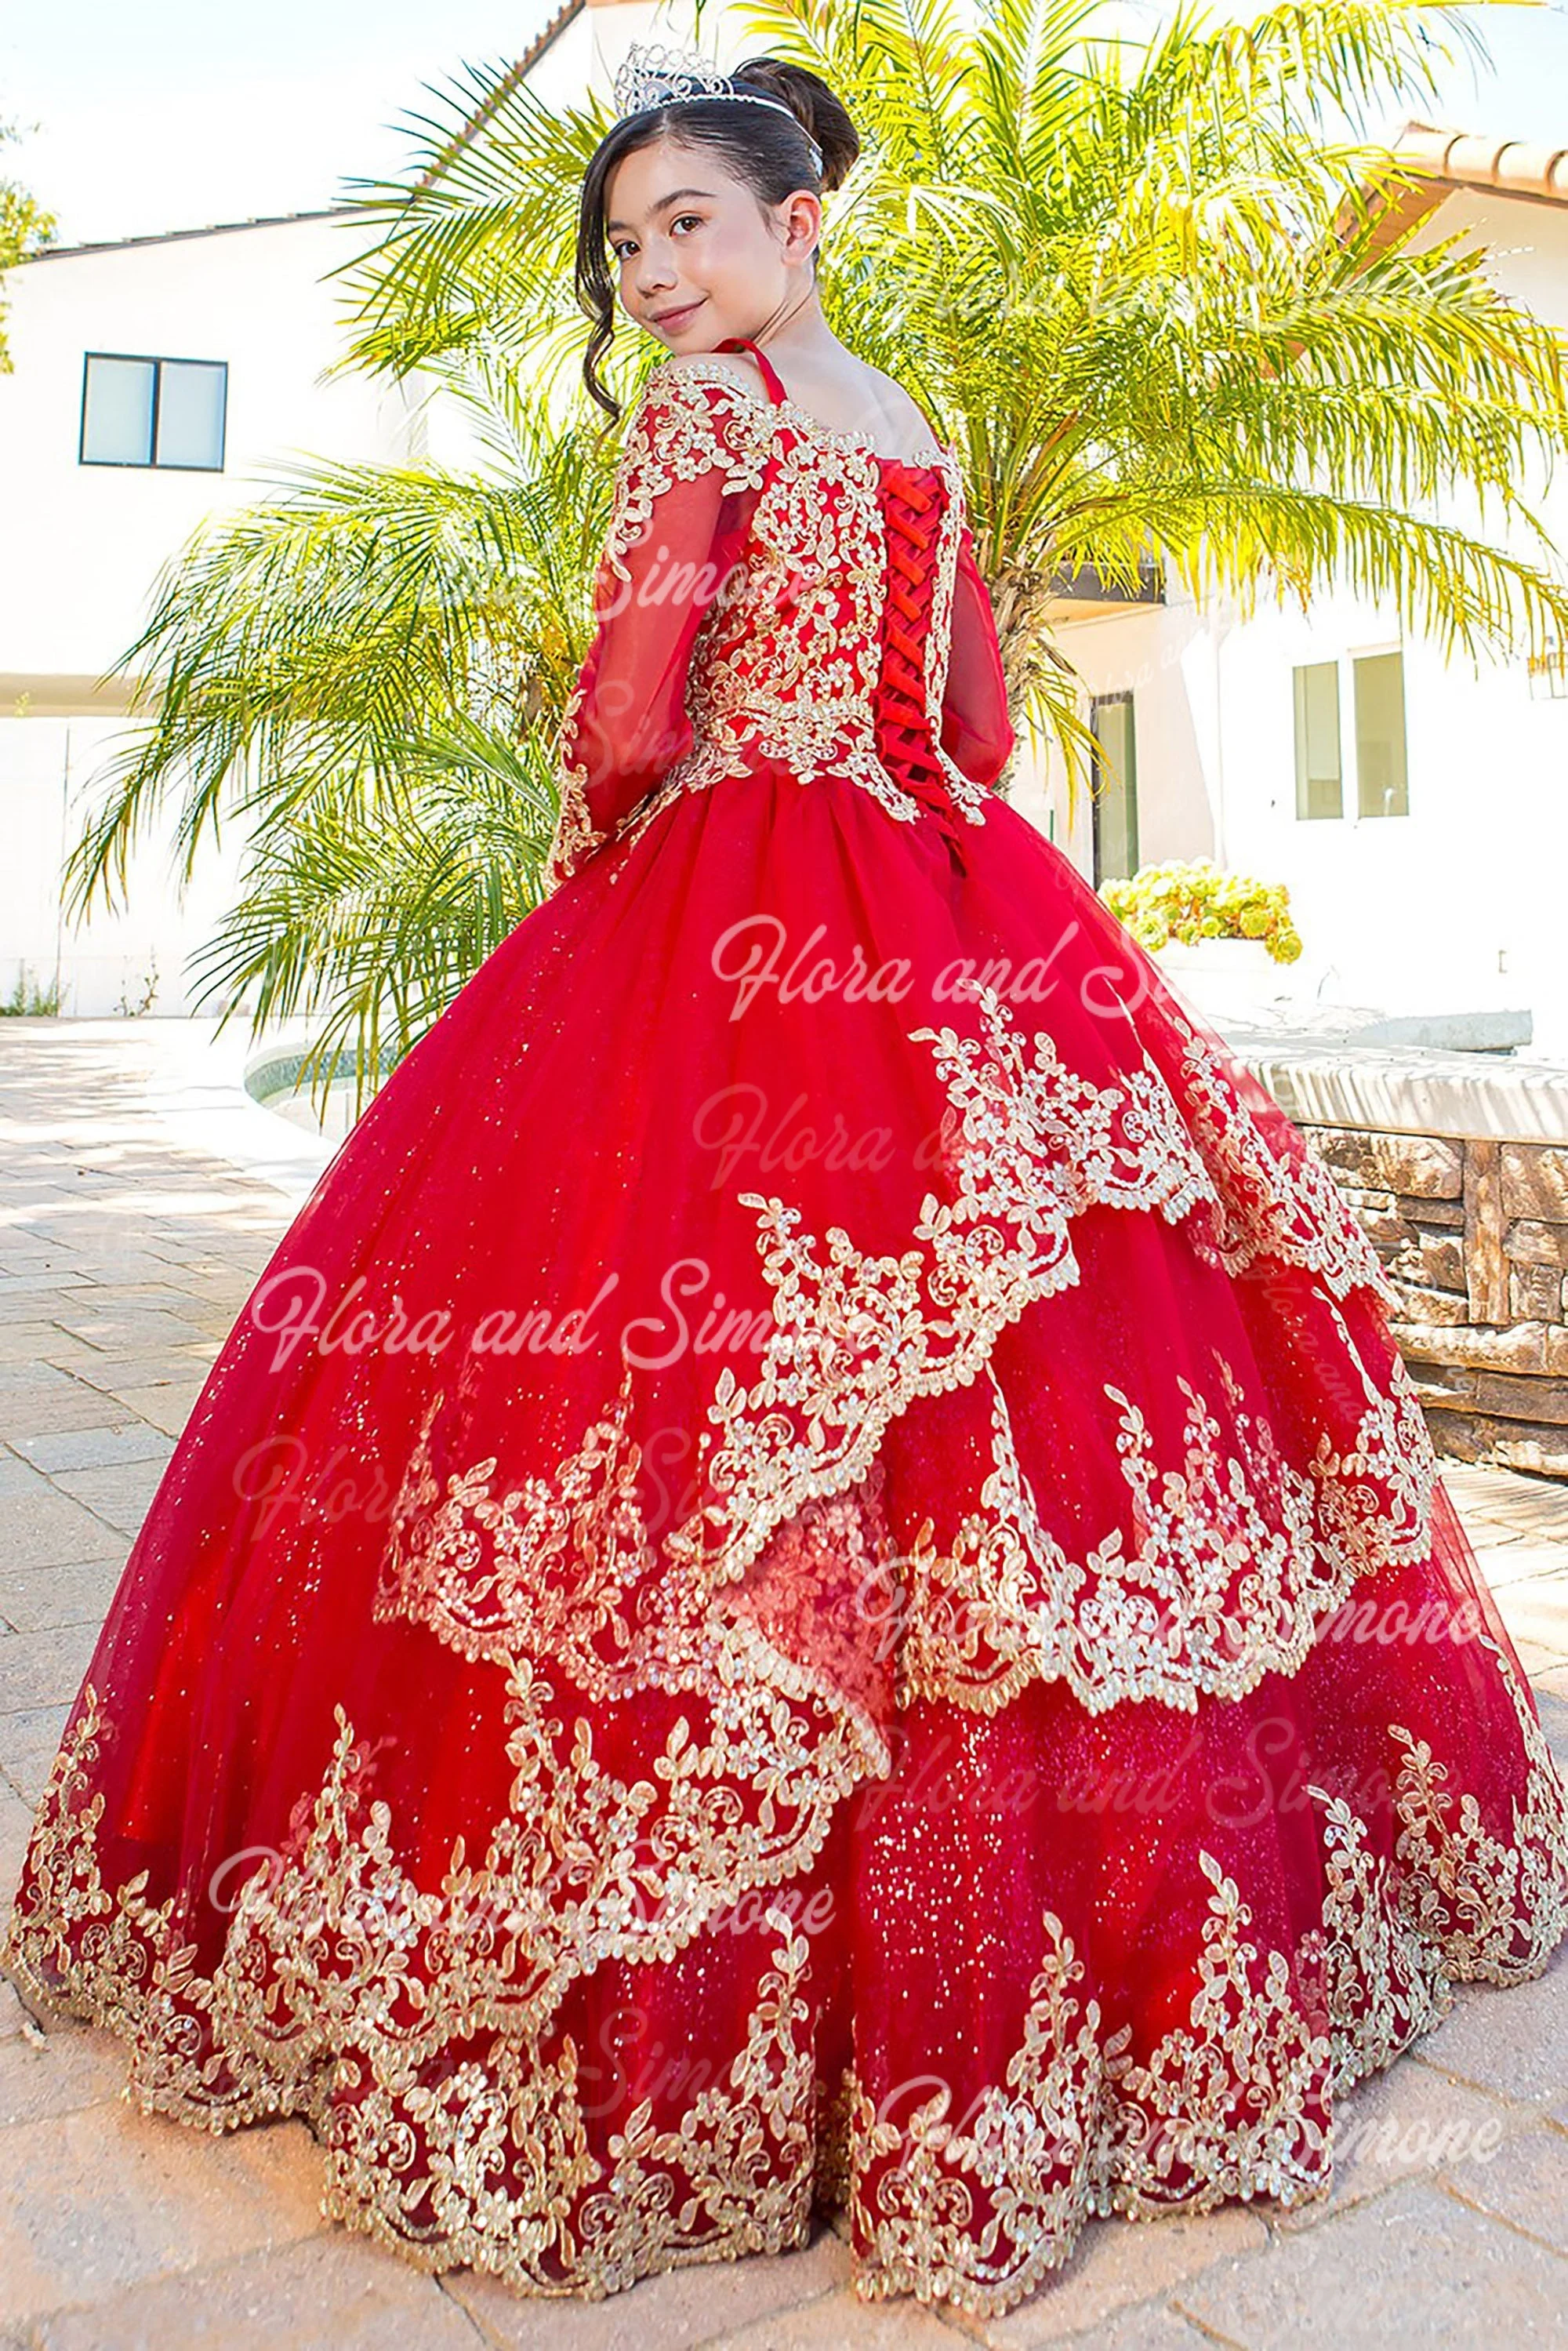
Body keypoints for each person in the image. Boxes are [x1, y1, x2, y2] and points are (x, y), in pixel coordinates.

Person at [5, 39, 1566, 2324]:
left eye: (688, 227)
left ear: (794, 221)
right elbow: (986, 730)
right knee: (1027, 1375)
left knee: (670, 1365)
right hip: (954, 894)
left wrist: (605, 863)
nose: (652, 276)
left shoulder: (707, 419)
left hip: (733, 896)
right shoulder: (912, 422)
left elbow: (634, 712)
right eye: (625, 246)